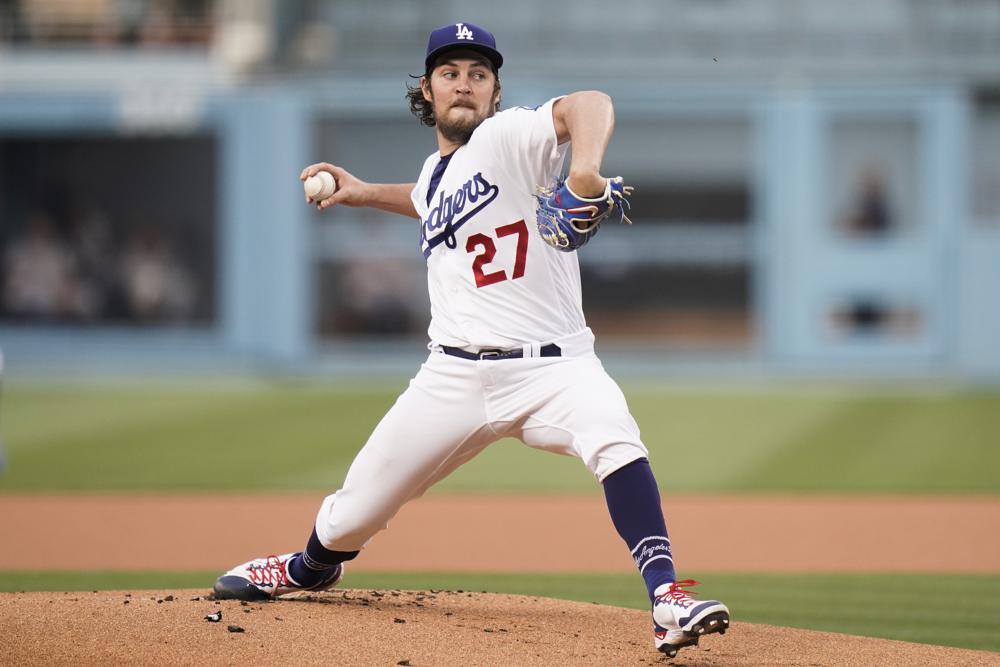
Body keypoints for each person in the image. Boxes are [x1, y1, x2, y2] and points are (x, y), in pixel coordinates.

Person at [214, 22, 730, 658]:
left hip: (556, 369)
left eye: (478, 74)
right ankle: (311, 567)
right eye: (451, 73)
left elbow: (588, 103)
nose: (465, 83)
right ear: (426, 91)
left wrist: (586, 172)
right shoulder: (437, 173)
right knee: (351, 514)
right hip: (452, 379)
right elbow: (432, 199)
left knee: (616, 439)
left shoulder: (511, 136)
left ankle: (667, 598)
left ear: (494, 92)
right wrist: (365, 192)